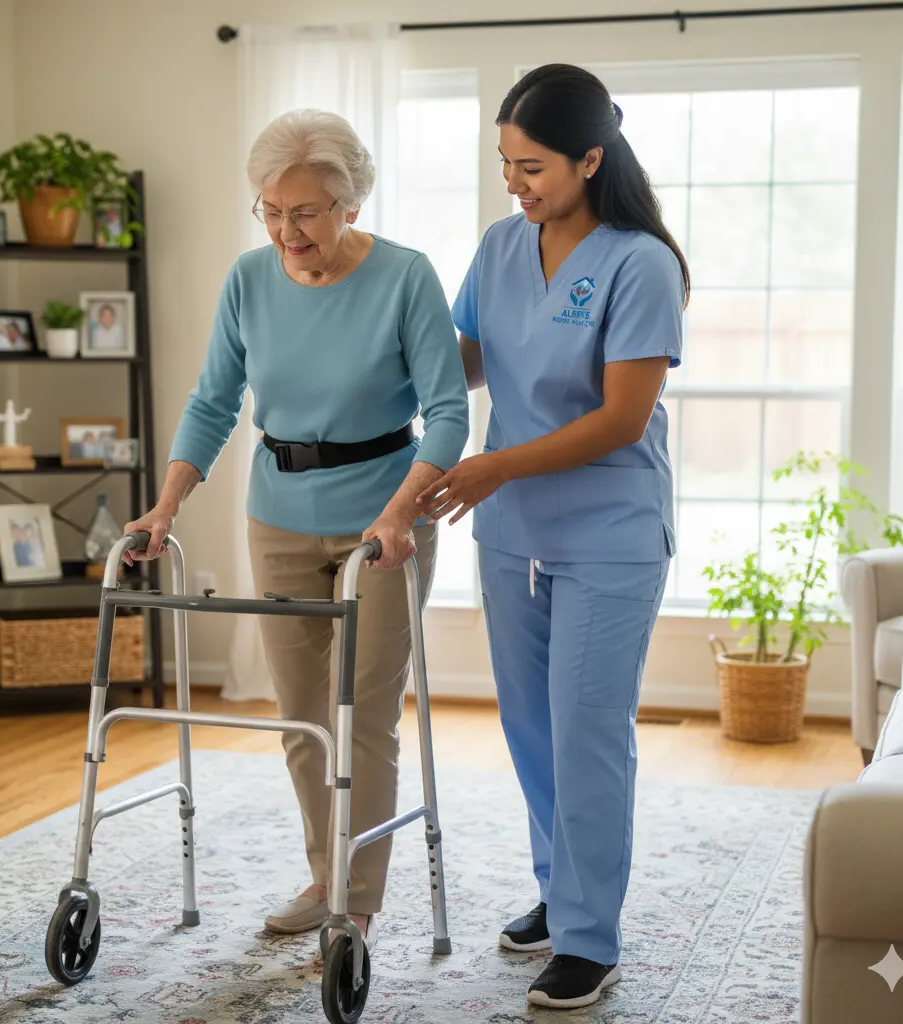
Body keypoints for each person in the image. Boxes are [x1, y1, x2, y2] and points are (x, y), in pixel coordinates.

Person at [123, 108, 469, 952]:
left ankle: (356, 904)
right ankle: (327, 873)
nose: (287, 230)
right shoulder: (249, 279)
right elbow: (213, 402)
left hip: (384, 524)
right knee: (303, 717)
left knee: (364, 716)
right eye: (271, 211)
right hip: (277, 515)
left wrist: (400, 510)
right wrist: (166, 505)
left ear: (351, 204)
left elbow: (450, 411)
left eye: (306, 211)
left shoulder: (403, 277)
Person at [419, 64, 689, 1010]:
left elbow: (621, 418)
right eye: (505, 163)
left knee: (586, 733)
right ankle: (557, 888)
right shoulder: (500, 247)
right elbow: (469, 360)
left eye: (532, 165)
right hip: (510, 527)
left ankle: (589, 935)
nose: (515, 182)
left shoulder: (640, 262)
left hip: (609, 528)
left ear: (590, 158)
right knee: (531, 728)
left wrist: (494, 467)